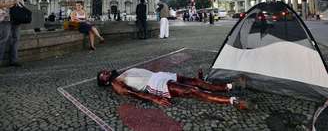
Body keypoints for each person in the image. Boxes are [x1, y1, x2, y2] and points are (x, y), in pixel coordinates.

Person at [97, 68, 249, 110]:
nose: (104, 73)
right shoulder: (115, 83)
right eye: (101, 76)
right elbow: (131, 92)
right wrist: (154, 98)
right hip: (155, 84)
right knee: (192, 90)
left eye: (102, 71)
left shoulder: (121, 73)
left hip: (159, 75)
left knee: (194, 81)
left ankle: (229, 86)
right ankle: (233, 101)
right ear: (104, 82)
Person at [0, 0, 25, 67]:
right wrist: (11, 3)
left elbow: (22, 5)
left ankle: (14, 60)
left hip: (15, 19)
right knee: (4, 39)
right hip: (6, 19)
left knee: (16, 39)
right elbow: (0, 4)